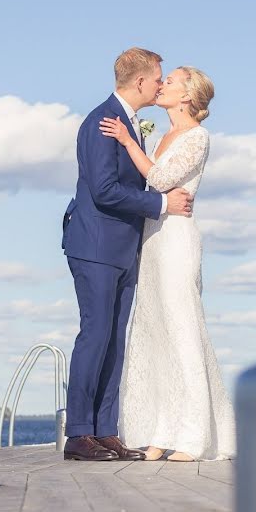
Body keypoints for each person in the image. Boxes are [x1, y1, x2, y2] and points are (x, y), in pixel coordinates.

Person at [60, 48, 194, 461]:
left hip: (122, 249)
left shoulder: (130, 125)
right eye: (157, 78)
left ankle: (105, 431)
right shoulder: (102, 122)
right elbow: (102, 190)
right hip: (95, 245)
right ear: (140, 82)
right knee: (95, 335)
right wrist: (160, 206)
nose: (160, 84)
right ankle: (79, 434)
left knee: (114, 340)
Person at [99, 66, 235, 461]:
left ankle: (194, 436)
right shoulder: (160, 135)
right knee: (154, 332)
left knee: (181, 330)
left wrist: (127, 142)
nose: (163, 85)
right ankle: (159, 432)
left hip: (177, 240)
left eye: (171, 81)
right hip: (152, 241)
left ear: (188, 96)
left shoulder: (198, 137)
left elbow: (159, 179)